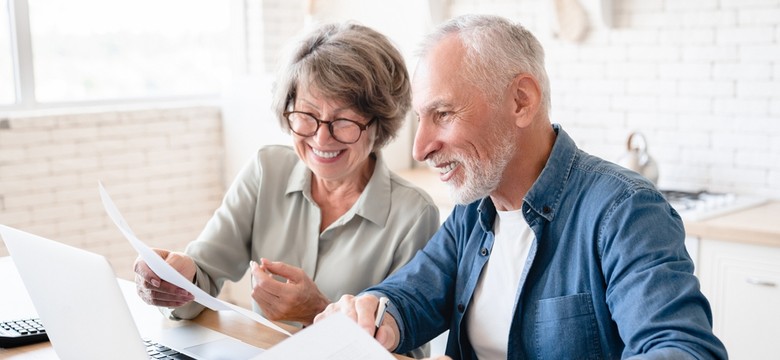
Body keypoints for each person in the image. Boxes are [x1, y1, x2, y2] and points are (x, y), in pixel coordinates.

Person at [314, 14, 728, 360]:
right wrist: (375, 314)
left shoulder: (624, 211)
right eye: (421, 119)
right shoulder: (473, 210)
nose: (421, 148)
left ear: (521, 101)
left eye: (442, 113)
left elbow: (682, 349)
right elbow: (413, 294)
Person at [132, 22, 440, 337]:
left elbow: (407, 351)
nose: (321, 138)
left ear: (379, 123)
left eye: (343, 120)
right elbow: (203, 276)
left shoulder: (413, 215)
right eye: (306, 115)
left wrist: (318, 312)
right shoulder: (267, 170)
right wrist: (177, 280)